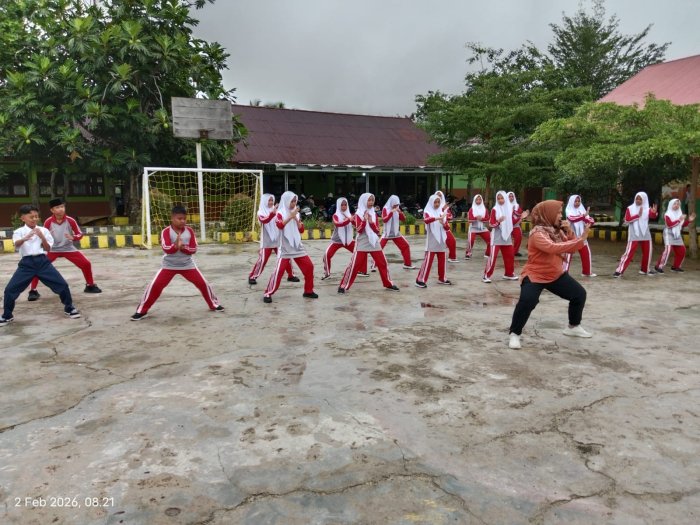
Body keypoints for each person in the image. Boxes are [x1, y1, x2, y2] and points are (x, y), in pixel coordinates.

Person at [508, 200, 593, 349]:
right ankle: (514, 334)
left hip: (555, 274)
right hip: (535, 275)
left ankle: (573, 327)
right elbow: (553, 247)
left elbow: (571, 248)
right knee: (527, 301)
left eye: (560, 212)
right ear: (548, 214)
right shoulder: (537, 233)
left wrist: (569, 231)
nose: (560, 215)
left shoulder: (556, 231)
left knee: (579, 294)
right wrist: (581, 239)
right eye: (558, 212)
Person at [131, 206, 223, 320]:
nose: (182, 221)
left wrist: (183, 248)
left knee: (203, 284)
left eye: (184, 219)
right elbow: (166, 248)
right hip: (169, 266)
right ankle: (141, 311)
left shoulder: (189, 231)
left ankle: (214, 305)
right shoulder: (166, 231)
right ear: (172, 218)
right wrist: (176, 246)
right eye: (179, 218)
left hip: (187, 265)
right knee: (155, 286)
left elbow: (194, 249)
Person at [1, 204, 81, 326]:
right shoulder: (19, 232)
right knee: (10, 290)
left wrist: (42, 236)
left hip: (42, 262)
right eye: (31, 217)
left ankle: (69, 308)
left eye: (36, 216)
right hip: (26, 264)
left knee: (62, 285)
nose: (34, 219)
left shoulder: (44, 230)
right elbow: (16, 244)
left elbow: (48, 248)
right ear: (23, 218)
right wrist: (25, 238)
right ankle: (7, 315)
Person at [26, 198, 101, 301]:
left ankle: (90, 285)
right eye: (57, 207)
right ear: (52, 210)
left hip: (68, 248)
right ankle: (33, 291)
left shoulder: (70, 220)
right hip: (52, 249)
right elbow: (43, 235)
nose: (61, 209)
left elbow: (79, 233)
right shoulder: (48, 222)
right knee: (38, 266)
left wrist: (73, 237)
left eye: (62, 207)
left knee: (86, 264)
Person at [338, 193, 399, 294]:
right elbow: (359, 230)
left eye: (372, 200)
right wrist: (364, 220)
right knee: (354, 265)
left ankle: (388, 284)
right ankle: (343, 286)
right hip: (362, 240)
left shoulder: (373, 214)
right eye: (369, 200)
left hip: (374, 240)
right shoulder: (358, 214)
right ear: (364, 201)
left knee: (382, 263)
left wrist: (370, 222)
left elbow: (377, 231)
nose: (371, 202)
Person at [262, 191, 318, 303]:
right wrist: (290, 216)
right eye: (291, 201)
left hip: (297, 246)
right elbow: (280, 225)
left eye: (295, 201)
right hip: (285, 247)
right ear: (286, 201)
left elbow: (301, 230)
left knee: (309, 267)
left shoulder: (296, 214)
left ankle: (308, 291)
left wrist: (296, 218)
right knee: (279, 271)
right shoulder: (280, 213)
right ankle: (268, 293)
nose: (293, 203)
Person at [248, 193, 297, 285]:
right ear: (264, 201)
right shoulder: (260, 212)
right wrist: (272, 214)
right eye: (269, 200)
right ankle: (252, 276)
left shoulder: (277, 210)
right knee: (262, 260)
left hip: (278, 239)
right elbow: (264, 220)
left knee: (286, 257)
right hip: (267, 241)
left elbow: (282, 221)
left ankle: (291, 275)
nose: (271, 202)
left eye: (272, 200)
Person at [614, 191, 658, 277]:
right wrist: (638, 215)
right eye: (637, 199)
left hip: (645, 232)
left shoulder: (647, 209)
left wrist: (654, 212)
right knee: (629, 251)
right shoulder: (630, 208)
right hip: (634, 232)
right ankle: (619, 271)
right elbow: (627, 219)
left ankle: (645, 269)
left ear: (644, 200)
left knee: (648, 251)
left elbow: (652, 216)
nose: (638, 200)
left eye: (640, 199)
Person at [415, 193, 451, 287]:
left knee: (442, 260)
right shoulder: (427, 211)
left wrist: (443, 223)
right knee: (428, 261)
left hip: (441, 239)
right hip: (432, 239)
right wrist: (437, 218)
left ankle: (442, 278)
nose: (437, 204)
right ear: (431, 202)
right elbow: (426, 220)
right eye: (435, 202)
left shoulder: (442, 212)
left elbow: (447, 228)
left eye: (438, 202)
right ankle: (420, 280)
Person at [482, 190, 518, 283]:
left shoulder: (509, 209)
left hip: (507, 236)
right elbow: (491, 224)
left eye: (502, 198)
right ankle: (486, 275)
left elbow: (512, 222)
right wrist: (499, 221)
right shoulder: (495, 209)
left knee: (510, 256)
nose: (500, 200)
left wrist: (521, 217)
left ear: (505, 198)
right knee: (493, 257)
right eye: (498, 198)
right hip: (497, 236)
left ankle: (509, 274)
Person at [373, 194, 415, 270]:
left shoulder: (397, 209)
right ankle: (374, 265)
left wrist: (400, 212)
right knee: (378, 248)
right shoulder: (385, 209)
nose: (396, 206)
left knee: (405, 246)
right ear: (391, 203)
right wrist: (391, 212)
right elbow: (384, 220)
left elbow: (403, 219)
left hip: (396, 233)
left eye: (397, 205)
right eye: (394, 205)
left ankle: (407, 264)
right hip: (387, 233)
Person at [654, 198, 695, 273]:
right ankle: (658, 266)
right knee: (668, 250)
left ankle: (676, 267)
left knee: (682, 250)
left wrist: (689, 220)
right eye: (674, 204)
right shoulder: (667, 214)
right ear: (671, 205)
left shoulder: (679, 213)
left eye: (678, 204)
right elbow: (669, 225)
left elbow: (681, 225)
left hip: (677, 234)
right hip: (668, 233)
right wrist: (679, 220)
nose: (676, 205)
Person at [321, 197, 356, 279]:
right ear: (338, 205)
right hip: (337, 241)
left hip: (348, 240)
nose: (344, 206)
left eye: (345, 205)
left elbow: (356, 224)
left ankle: (361, 271)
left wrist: (354, 220)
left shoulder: (350, 215)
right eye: (342, 205)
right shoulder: (335, 215)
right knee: (326, 255)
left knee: (360, 252)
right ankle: (327, 274)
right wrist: (348, 220)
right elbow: (338, 224)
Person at [563, 194, 596, 277]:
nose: (577, 203)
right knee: (568, 255)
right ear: (571, 202)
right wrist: (583, 216)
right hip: (572, 236)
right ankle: (563, 273)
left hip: (582, 236)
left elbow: (590, 220)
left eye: (578, 201)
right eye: (575, 201)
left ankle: (587, 272)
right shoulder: (568, 210)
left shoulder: (582, 209)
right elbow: (572, 218)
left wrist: (588, 220)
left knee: (586, 253)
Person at [465, 194, 491, 260]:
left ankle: (487, 253)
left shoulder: (485, 209)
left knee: (491, 240)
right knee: (471, 240)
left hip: (482, 228)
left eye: (480, 199)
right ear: (474, 201)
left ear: (482, 201)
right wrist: (476, 218)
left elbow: (487, 219)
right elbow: (469, 220)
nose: (478, 201)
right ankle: (468, 253)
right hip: (473, 228)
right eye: (477, 200)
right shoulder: (471, 209)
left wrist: (481, 219)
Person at [435, 190, 459, 263]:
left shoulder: (445, 206)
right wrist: (442, 210)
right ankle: (429, 258)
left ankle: (452, 257)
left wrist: (444, 211)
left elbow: (450, 216)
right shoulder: (432, 206)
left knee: (452, 241)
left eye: (440, 196)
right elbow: (433, 216)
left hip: (444, 227)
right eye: (437, 195)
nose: (439, 197)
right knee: (434, 245)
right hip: (435, 228)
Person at [508, 192, 529, 256]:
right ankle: (506, 251)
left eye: (512, 196)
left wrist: (525, 213)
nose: (511, 198)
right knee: (505, 240)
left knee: (518, 238)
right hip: (507, 225)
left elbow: (521, 214)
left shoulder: (517, 206)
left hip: (515, 225)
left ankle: (515, 251)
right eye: (509, 196)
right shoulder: (504, 206)